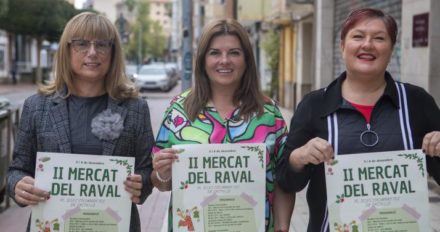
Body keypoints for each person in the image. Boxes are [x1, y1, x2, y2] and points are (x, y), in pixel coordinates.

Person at [276, 7, 440, 231]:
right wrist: (299, 157)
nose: (367, 45)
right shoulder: (314, 105)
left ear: (392, 48)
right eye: (358, 36)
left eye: (379, 38)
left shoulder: (417, 102)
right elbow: (286, 180)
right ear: (342, 46)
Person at [7, 12, 154, 232]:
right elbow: (16, 170)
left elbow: (146, 169)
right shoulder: (37, 106)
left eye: (102, 44)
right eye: (81, 44)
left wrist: (141, 184)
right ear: (66, 50)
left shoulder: (135, 108)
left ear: (113, 53)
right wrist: (18, 185)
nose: (92, 52)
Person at [151, 18, 295, 232]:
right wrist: (163, 173)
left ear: (246, 59)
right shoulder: (178, 111)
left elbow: (284, 180)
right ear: (202, 60)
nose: (224, 60)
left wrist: (283, 227)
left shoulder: (269, 113)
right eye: (215, 53)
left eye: (234, 53)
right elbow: (160, 183)